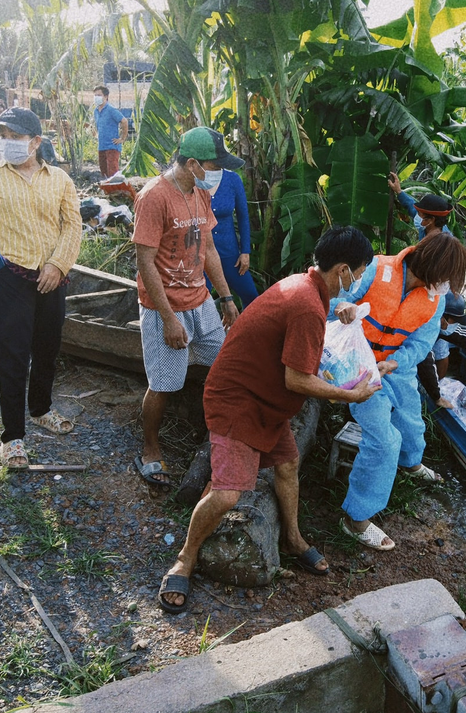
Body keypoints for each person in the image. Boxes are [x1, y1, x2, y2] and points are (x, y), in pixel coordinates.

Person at [157, 227, 379, 613]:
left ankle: (292, 538)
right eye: (357, 272)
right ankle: (185, 557)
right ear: (342, 269)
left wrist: (336, 308)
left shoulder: (307, 288)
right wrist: (349, 394)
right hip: (237, 402)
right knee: (227, 494)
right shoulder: (307, 305)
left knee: (289, 464)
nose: (357, 281)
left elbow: (299, 334)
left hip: (266, 402)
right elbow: (297, 378)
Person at [0, 107, 83, 467]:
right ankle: (12, 437)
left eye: (15, 136)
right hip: (10, 274)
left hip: (50, 276)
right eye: (3, 137)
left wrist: (58, 265)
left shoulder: (59, 179)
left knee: (47, 346)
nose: (8, 143)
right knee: (12, 353)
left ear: (35, 141)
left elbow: (73, 226)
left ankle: (41, 408)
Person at [333, 232, 466, 550]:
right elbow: (335, 299)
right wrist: (341, 306)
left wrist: (394, 364)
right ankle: (356, 518)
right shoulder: (375, 268)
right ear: (432, 266)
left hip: (395, 367)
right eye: (447, 276)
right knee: (384, 440)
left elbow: (421, 343)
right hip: (357, 365)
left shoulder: (435, 301)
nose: (448, 285)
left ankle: (410, 464)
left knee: (411, 420)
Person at [132, 126, 242, 487]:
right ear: (192, 163)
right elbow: (145, 263)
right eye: (213, 164)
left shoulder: (200, 193)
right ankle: (149, 448)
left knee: (224, 365)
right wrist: (168, 319)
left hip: (201, 301)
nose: (218, 172)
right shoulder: (154, 197)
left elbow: (208, 249)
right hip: (165, 305)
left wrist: (225, 297)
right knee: (163, 384)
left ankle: (213, 431)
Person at [205, 167, 260, 308]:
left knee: (251, 296)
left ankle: (247, 329)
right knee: (202, 300)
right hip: (202, 254)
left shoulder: (232, 179)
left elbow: (243, 216)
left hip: (230, 252)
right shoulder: (194, 179)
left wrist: (245, 251)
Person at [387, 171, 452, 240]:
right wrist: (399, 191)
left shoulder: (444, 243)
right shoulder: (427, 226)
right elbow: (410, 205)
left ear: (431, 220)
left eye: (419, 213)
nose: (417, 215)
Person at [90, 85, 128, 179]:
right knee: (104, 173)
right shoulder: (96, 111)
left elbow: (124, 121)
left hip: (112, 146)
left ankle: (116, 191)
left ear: (106, 96)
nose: (96, 98)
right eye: (95, 95)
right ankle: (108, 192)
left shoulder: (111, 110)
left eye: (99, 95)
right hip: (101, 146)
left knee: (112, 172)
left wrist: (122, 138)